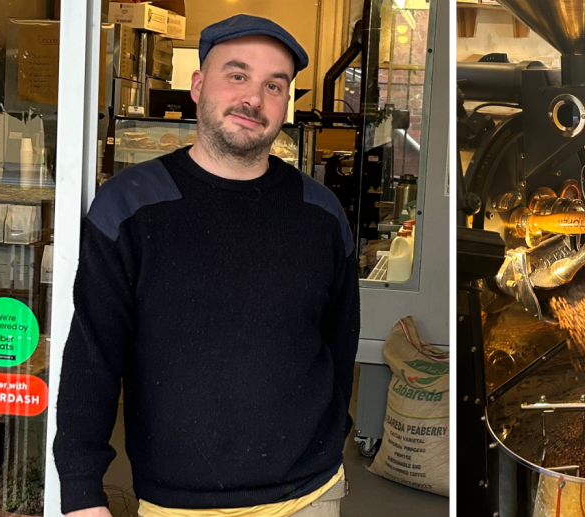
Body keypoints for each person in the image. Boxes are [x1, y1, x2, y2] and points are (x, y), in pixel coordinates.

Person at [54, 15, 359, 517]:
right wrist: (82, 492)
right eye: (237, 75)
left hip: (309, 494)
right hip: (178, 500)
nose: (253, 99)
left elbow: (340, 342)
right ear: (198, 86)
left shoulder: (321, 213)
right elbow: (94, 355)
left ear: (286, 103)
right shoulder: (130, 206)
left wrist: (331, 442)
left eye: (274, 86)